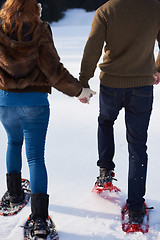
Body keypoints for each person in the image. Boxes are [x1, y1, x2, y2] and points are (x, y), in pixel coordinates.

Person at [0, 0, 95, 237]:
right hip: (35, 104)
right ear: (35, 6)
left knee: (13, 142)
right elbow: (53, 70)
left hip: (6, 101)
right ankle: (40, 221)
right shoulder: (40, 29)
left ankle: (14, 194)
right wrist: (80, 91)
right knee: (35, 158)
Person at [79, 0, 160, 225]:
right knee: (137, 144)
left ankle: (105, 172)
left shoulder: (106, 10)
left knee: (105, 121)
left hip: (111, 86)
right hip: (142, 86)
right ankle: (135, 208)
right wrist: (158, 68)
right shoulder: (155, 7)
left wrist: (83, 80)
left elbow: (92, 47)